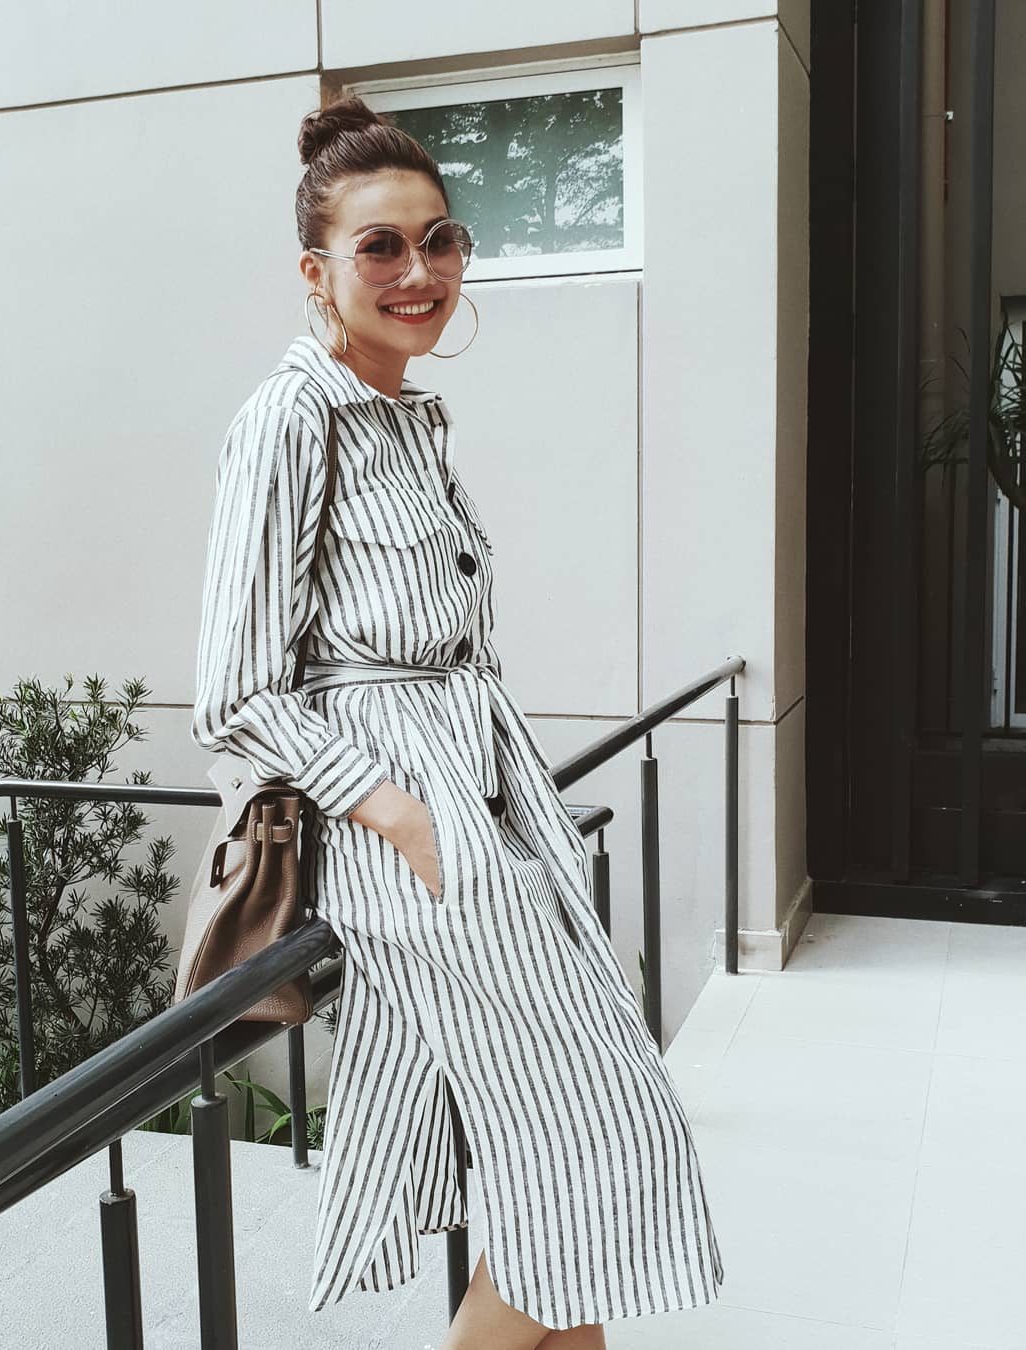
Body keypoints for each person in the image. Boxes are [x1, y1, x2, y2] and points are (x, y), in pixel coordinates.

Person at [190, 94, 724, 1350]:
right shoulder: (291, 418)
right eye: (380, 246)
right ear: (316, 272)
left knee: (566, 1164)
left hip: (481, 798)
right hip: (409, 830)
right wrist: (396, 813)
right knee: (604, 1144)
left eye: (440, 240)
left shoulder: (410, 419)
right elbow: (235, 690)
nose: (418, 271)